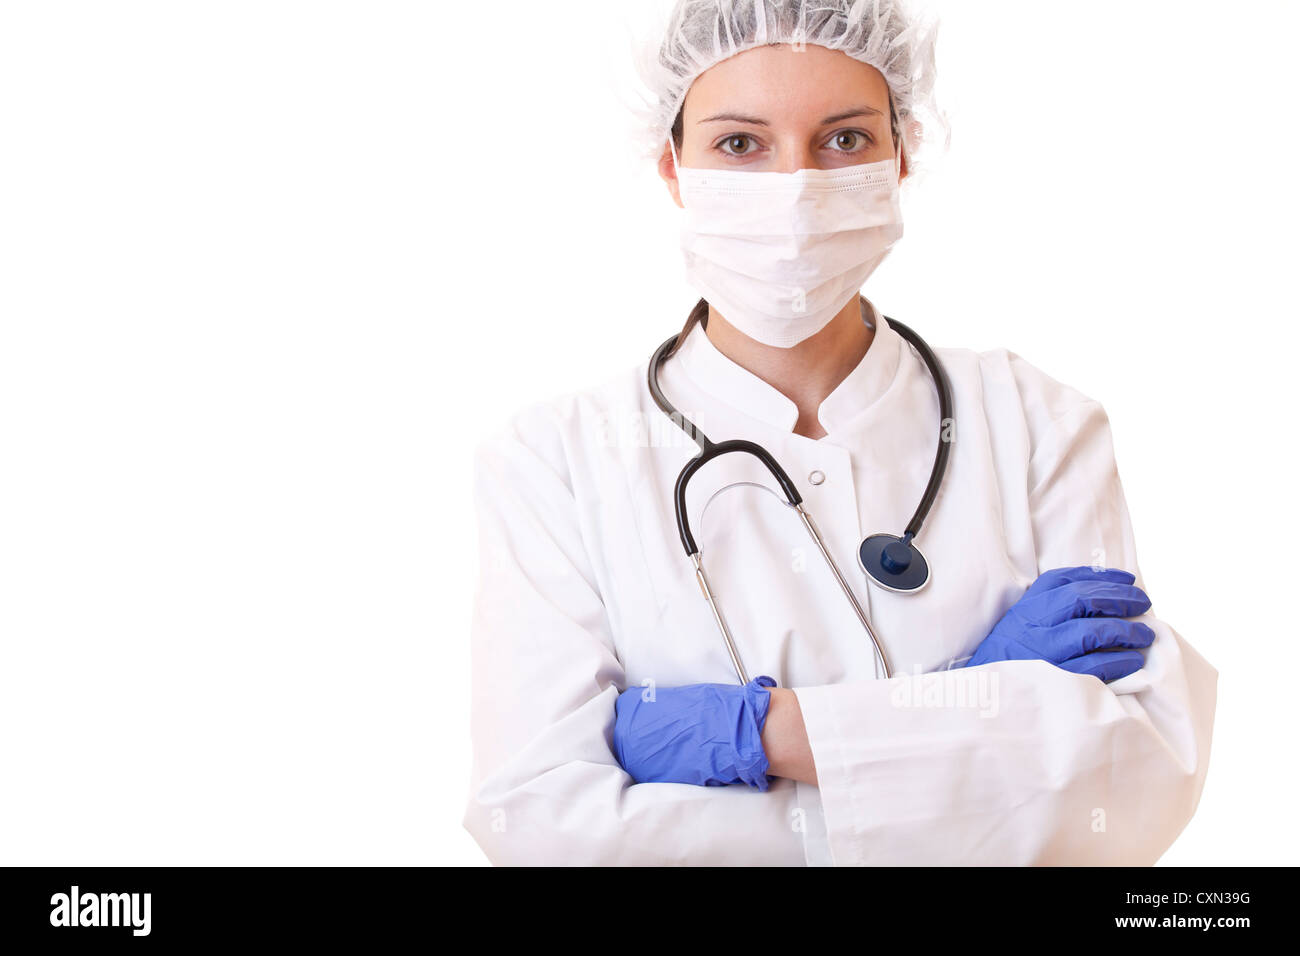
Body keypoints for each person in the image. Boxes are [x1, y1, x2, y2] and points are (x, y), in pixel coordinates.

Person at [462, 0, 1217, 865]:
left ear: (905, 153)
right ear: (673, 166)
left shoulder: (1037, 422)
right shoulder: (553, 461)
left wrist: (768, 736)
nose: (795, 186)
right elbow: (551, 827)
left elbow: (1132, 783)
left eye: (846, 139)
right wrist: (973, 728)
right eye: (740, 144)